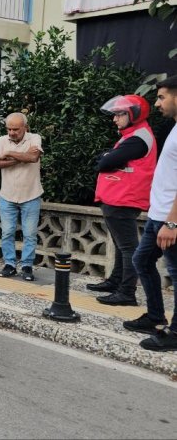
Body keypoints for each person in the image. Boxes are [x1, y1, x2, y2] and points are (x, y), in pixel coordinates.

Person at [88, 95, 157, 306]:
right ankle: (116, 281)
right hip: (118, 197)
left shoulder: (138, 138)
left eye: (119, 114)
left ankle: (127, 293)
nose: (114, 119)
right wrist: (107, 157)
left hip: (124, 198)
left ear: (133, 114)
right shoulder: (132, 136)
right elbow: (104, 159)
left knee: (128, 247)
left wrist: (107, 157)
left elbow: (106, 162)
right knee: (121, 245)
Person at [126, 75, 177, 352]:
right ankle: (155, 316)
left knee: (176, 272)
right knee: (142, 260)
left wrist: (172, 221)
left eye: (162, 97)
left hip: (170, 219)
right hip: (159, 216)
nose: (157, 102)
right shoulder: (174, 128)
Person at [0, 113, 44, 282]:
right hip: (7, 195)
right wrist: (22, 157)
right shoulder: (1, 141)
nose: (12, 132)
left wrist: (9, 153)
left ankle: (27, 265)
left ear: (25, 128)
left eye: (16, 129)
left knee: (29, 234)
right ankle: (10, 264)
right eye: (9, 129)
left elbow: (34, 157)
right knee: (7, 233)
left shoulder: (35, 138)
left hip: (31, 194)